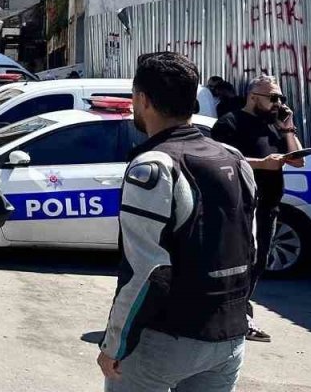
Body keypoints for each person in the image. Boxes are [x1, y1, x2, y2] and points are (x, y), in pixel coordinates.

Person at [97, 52, 257, 391]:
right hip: (229, 336)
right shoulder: (236, 159)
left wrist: (114, 343)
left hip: (164, 341)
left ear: (142, 100)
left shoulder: (152, 167)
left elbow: (147, 271)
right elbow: (249, 250)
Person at [209, 74, 304, 344]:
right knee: (240, 261)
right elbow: (222, 160)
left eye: (281, 98)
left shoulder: (273, 124)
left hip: (269, 205)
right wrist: (263, 163)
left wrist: (288, 128)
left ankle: (239, 312)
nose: (278, 103)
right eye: (273, 98)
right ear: (253, 97)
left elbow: (296, 160)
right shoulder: (230, 123)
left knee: (260, 260)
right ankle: (234, 315)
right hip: (242, 205)